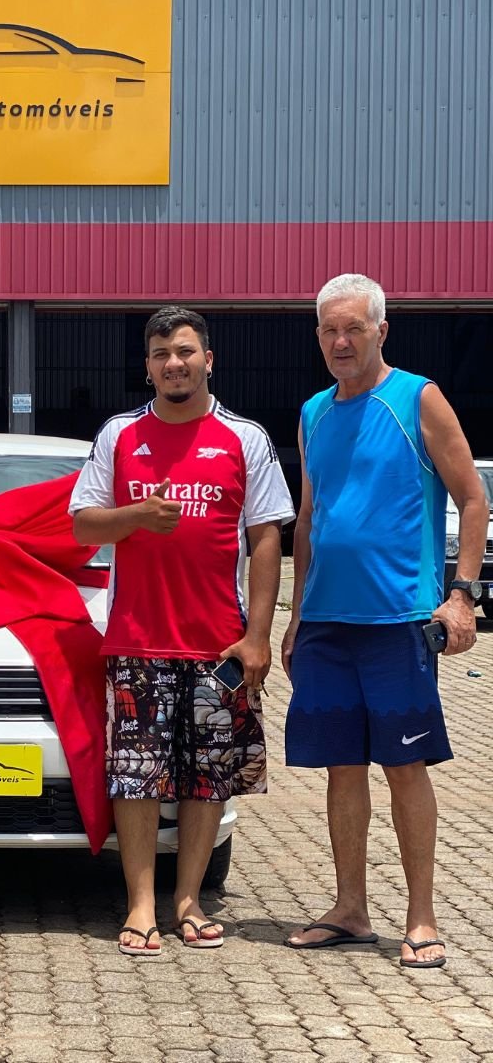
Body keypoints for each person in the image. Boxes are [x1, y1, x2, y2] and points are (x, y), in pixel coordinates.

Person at [69, 306, 293, 956]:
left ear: (208, 360)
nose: (175, 363)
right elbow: (82, 525)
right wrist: (136, 515)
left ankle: (188, 901)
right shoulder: (119, 435)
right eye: (162, 353)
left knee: (208, 777)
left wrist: (257, 636)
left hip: (219, 645)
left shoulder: (244, 438)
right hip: (138, 638)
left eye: (186, 351)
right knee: (136, 776)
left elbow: (267, 538)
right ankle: (140, 904)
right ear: (147, 366)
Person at [282, 274, 487, 968]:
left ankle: (422, 918)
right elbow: (308, 520)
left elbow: (473, 498)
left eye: (354, 329)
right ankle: (350, 910)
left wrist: (461, 596)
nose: (341, 341)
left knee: (405, 765)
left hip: (398, 620)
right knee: (342, 768)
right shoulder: (313, 412)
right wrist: (295, 616)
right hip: (326, 624)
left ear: (381, 331)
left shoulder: (417, 398)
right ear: (318, 337)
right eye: (329, 330)